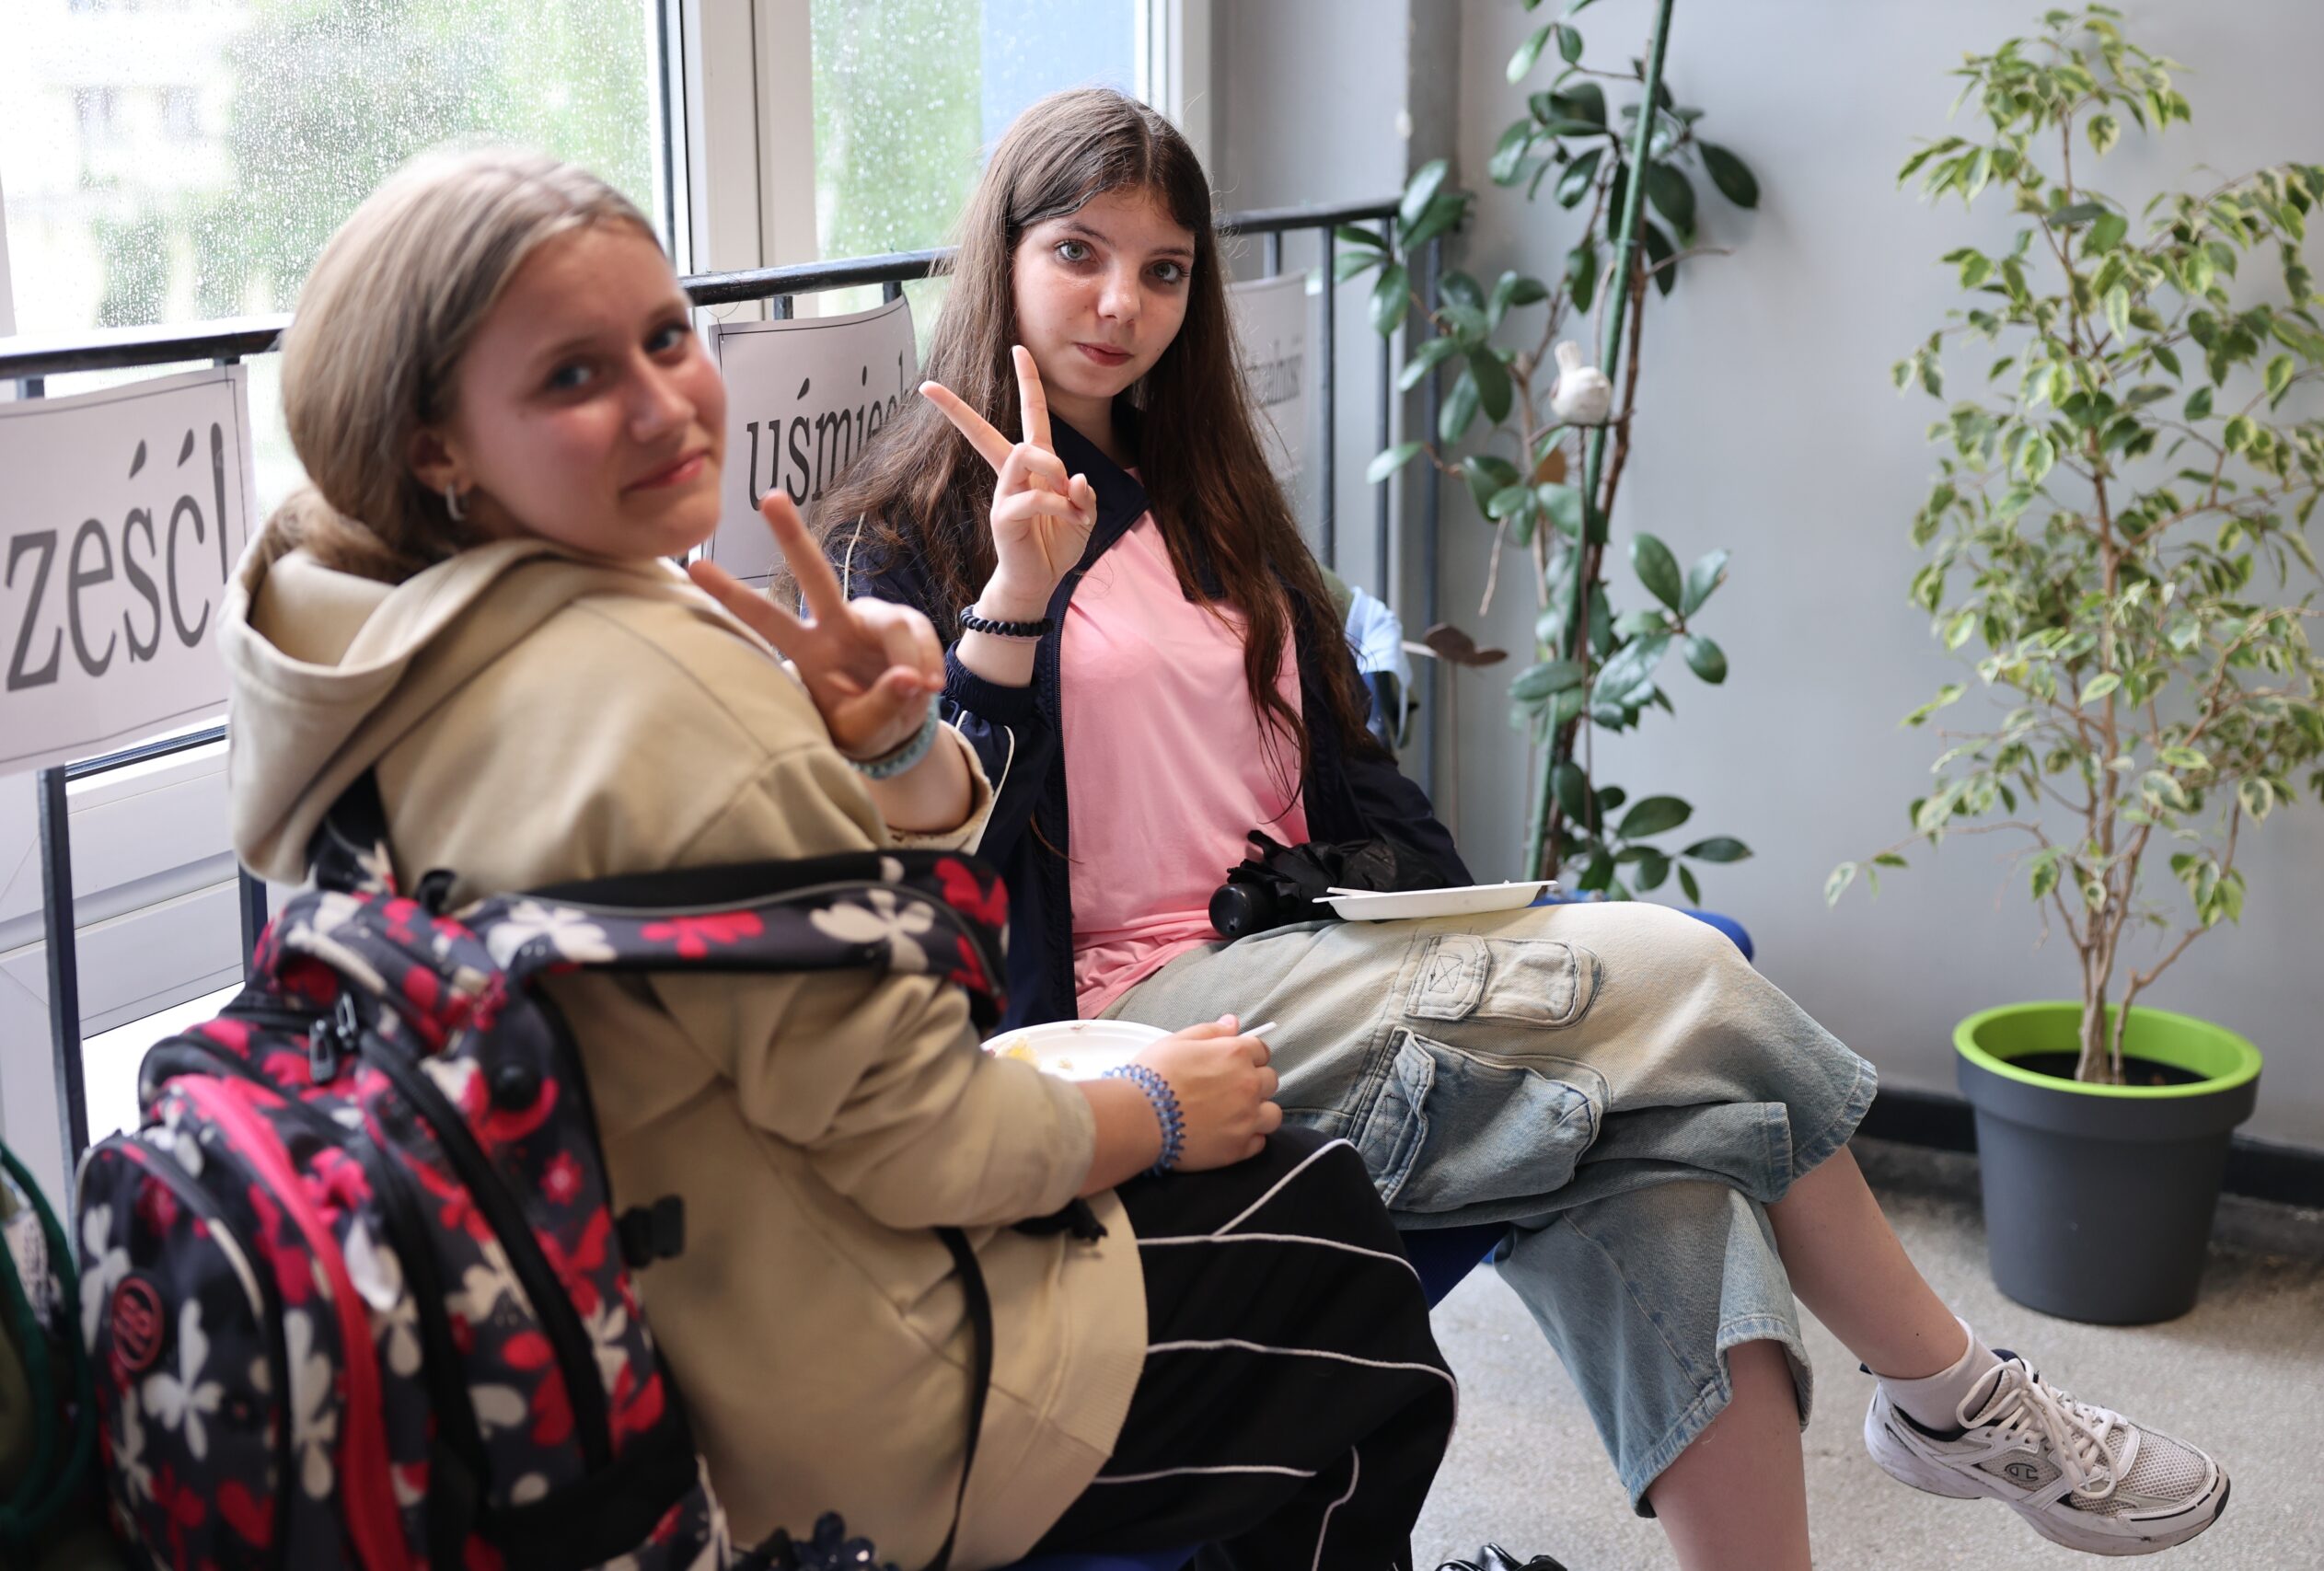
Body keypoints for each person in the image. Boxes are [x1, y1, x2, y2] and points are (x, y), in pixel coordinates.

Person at [814, 87, 2232, 1569]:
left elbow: (1352, 776)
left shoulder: (1214, 501)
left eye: (1163, 269)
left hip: (1317, 949)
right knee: (1689, 972)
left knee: (1675, 1173)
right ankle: (1954, 1394)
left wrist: (1471, 936)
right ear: (1003, 255)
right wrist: (1017, 596)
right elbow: (936, 873)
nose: (1122, 303)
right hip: (1144, 1018)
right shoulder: (900, 537)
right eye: (1078, 252)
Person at [217, 145, 1457, 1571]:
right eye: (572, 376)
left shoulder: (355, 655)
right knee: (1336, 1257)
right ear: (436, 445)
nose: (663, 403)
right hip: (813, 1409)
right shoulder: (674, 691)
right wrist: (1158, 1112)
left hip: (579, 1339)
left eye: (666, 337)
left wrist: (892, 755)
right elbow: (934, 1139)